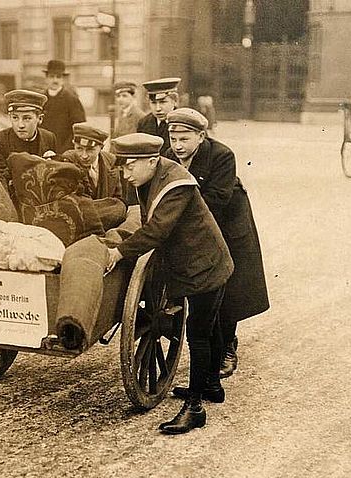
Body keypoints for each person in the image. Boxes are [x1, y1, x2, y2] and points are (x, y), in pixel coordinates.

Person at [106, 133, 233, 435]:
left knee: (199, 333)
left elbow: (156, 231)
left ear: (152, 161)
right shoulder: (154, 175)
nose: (125, 173)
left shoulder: (177, 184)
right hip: (198, 261)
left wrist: (119, 251)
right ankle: (212, 385)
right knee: (210, 324)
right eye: (123, 167)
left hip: (206, 266)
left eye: (130, 166)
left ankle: (195, 408)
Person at [163, 108, 269, 382]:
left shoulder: (221, 156)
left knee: (227, 289)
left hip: (228, 227)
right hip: (195, 225)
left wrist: (171, 222)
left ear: (201, 136)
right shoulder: (168, 156)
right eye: (173, 139)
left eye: (184, 139)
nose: (178, 146)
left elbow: (215, 202)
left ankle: (227, 348)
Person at [0, 89, 57, 202]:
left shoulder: (49, 138)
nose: (20, 125)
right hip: (11, 201)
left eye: (27, 118)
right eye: (15, 118)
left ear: (40, 119)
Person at [41, 60, 86, 154]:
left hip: (64, 151)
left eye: (58, 77)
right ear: (46, 78)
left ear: (63, 79)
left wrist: (66, 150)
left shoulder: (72, 100)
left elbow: (79, 128)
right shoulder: (40, 99)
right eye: (51, 76)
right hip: (42, 150)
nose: (55, 80)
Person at [136, 77, 180, 153]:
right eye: (153, 103)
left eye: (163, 102)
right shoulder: (144, 123)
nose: (158, 108)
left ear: (175, 101)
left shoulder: (184, 121)